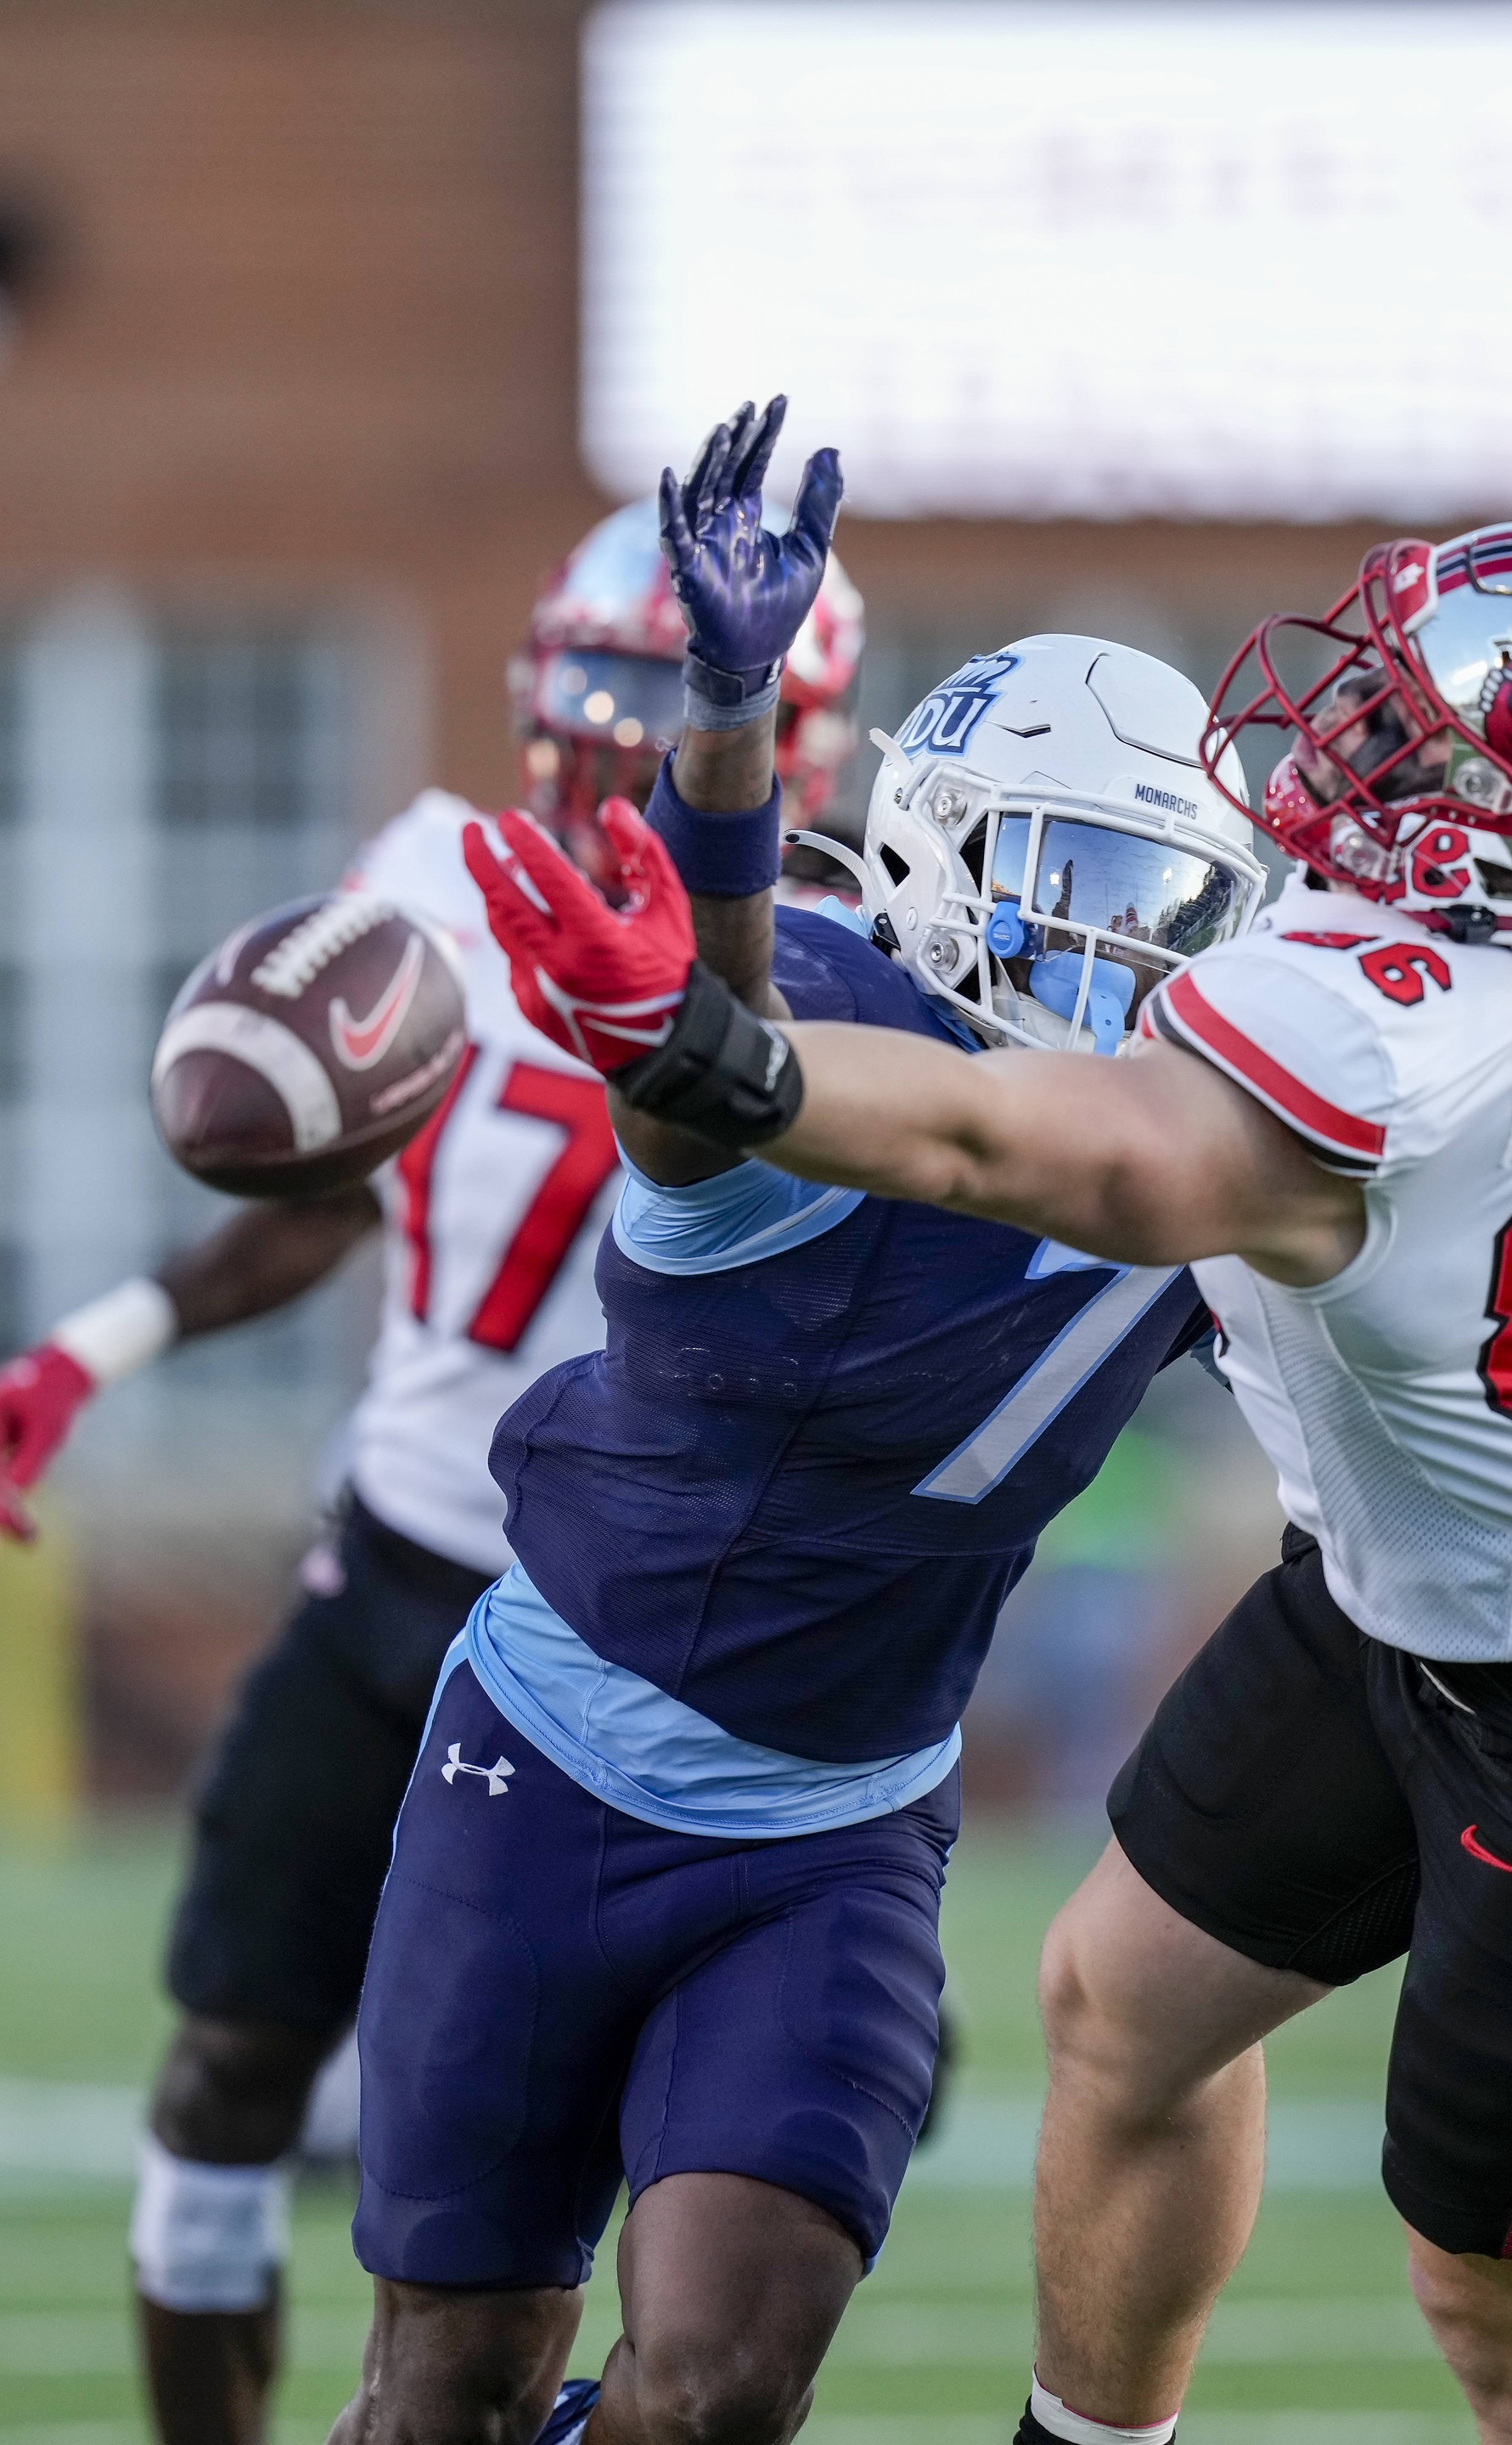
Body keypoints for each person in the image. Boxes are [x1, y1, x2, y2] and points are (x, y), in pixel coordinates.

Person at [507, 495, 1512, 2444]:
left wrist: (730, 1064)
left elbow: (1048, 1150)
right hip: (1400, 1603)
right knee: (1123, 2012)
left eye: (1433, 744)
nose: (1365, 740)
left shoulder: (1394, 1052)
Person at [336, 397, 1270, 2445]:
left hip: (833, 1829)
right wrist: (730, 725)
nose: (1110, 940)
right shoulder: (822, 1024)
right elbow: (699, 1037)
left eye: (1157, 891)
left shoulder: (1199, 1150)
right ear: (938, 849)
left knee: (727, 2390)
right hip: (552, 1759)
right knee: (442, 2395)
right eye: (1065, 873)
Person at [0, 495, 861, 2445]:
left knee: (542, 2236)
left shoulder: (832, 960)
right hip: (403, 1567)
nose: (610, 722)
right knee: (219, 2086)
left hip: (628, 1633)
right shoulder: (440, 875)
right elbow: (324, 1194)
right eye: (591, 675)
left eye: (655, 682)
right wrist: (92, 1346)